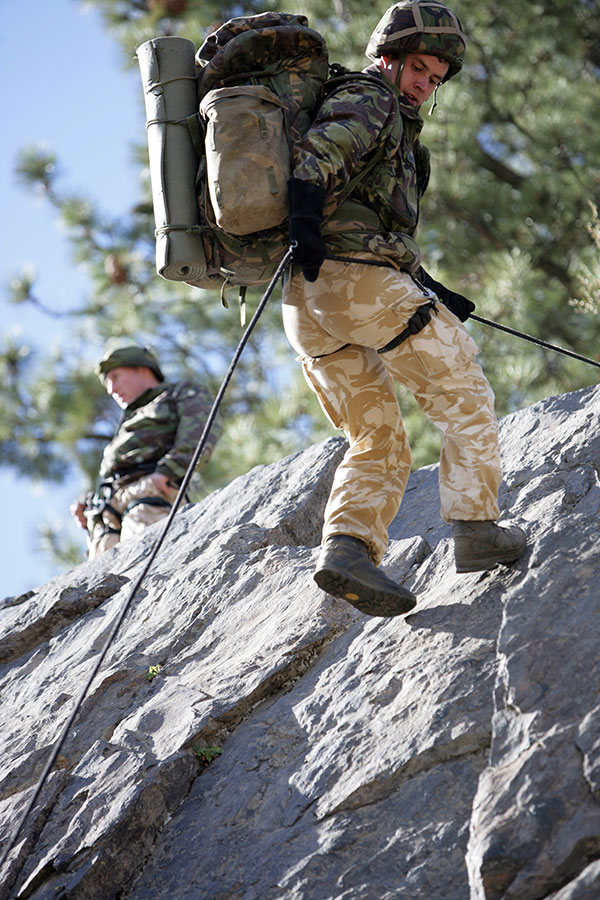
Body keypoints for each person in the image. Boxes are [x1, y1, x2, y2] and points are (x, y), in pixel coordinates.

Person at [283, 0, 526, 617]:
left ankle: (347, 551)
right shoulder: (372, 97)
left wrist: (431, 289)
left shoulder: (382, 111)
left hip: (306, 301)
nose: (424, 84)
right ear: (387, 57)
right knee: (463, 392)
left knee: (377, 437)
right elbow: (321, 153)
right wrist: (305, 213)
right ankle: (475, 528)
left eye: (435, 79)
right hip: (356, 286)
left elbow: (365, 220)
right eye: (418, 67)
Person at [70, 344, 218, 558]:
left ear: (142, 369)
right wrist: (89, 503)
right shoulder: (126, 424)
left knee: (145, 568)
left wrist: (166, 473)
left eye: (115, 377)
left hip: (148, 499)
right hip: (108, 520)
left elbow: (199, 436)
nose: (111, 389)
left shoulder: (178, 394)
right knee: (106, 587)